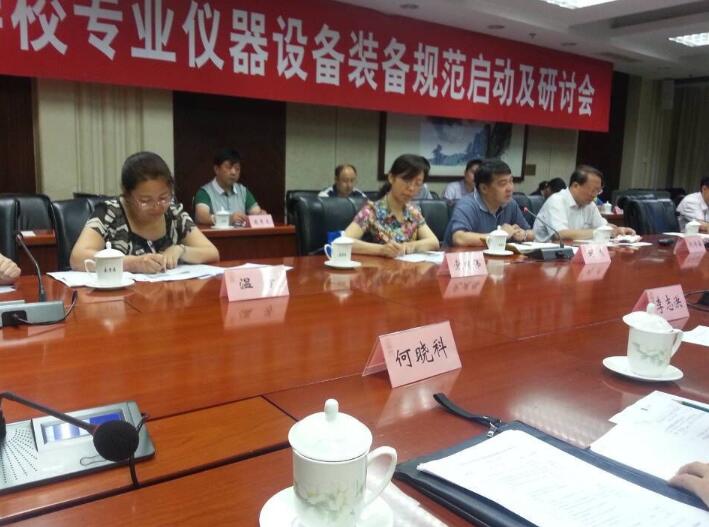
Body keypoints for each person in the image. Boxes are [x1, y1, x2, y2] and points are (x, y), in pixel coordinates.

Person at [71, 151, 219, 274]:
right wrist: (133, 263)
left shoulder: (174, 213)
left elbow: (212, 252)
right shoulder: (110, 213)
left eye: (164, 198)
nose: (157, 206)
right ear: (127, 195)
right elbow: (78, 258)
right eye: (145, 201)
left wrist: (180, 250)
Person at [343, 154, 440, 258]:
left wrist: (408, 246)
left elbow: (434, 242)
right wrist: (381, 250)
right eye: (407, 180)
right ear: (391, 178)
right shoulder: (371, 211)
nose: (411, 188)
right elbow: (344, 242)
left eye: (417, 183)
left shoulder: (413, 212)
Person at [533, 165, 636, 242]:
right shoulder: (557, 201)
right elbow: (560, 234)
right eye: (593, 190)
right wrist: (598, 232)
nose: (595, 195)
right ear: (575, 186)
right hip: (545, 257)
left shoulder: (590, 204)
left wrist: (618, 230)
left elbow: (602, 226)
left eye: (598, 191)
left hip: (577, 253)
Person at [444, 159, 533, 247]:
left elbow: (532, 233)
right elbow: (459, 238)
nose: (510, 188)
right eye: (503, 183)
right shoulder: (467, 205)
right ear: (484, 188)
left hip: (497, 255)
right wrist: (499, 235)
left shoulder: (510, 204)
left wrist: (524, 234)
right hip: (462, 256)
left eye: (511, 181)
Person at [194, 148, 266, 226]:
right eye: (228, 167)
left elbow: (256, 212)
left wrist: (261, 215)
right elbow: (201, 217)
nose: (233, 172)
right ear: (216, 169)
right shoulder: (204, 192)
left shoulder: (243, 191)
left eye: (237, 169)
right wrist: (228, 219)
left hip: (242, 233)